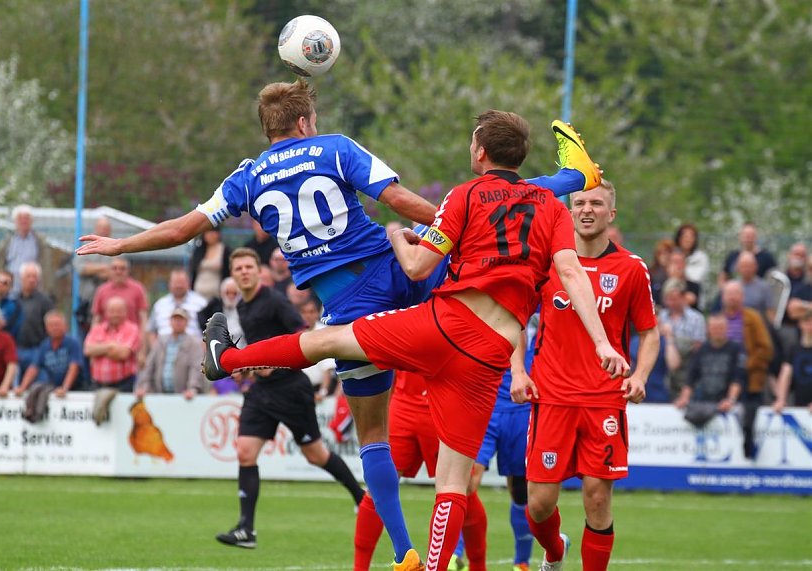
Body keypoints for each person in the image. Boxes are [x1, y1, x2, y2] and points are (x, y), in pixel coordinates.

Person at [77, 78, 600, 567]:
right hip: (401, 271)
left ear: (269, 128)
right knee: (503, 206)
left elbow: (181, 230)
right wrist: (455, 222)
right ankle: (573, 178)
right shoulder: (335, 147)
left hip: (348, 300)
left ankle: (404, 552)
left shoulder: (247, 177)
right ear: (305, 122)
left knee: (372, 432)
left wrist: (120, 243)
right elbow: (396, 200)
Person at [201, 111, 628, 571]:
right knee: (453, 483)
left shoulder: (463, 195)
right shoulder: (547, 205)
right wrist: (603, 342)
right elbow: (569, 271)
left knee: (326, 341)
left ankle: (228, 358)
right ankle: (437, 566)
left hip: (444, 326)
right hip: (491, 356)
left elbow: (418, 268)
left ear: (479, 152)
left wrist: (395, 236)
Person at [514, 180, 659, 571]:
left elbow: (649, 332)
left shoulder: (630, 268)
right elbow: (515, 319)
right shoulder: (547, 264)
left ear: (611, 214)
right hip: (551, 396)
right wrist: (517, 372)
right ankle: (555, 551)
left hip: (603, 400)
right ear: (569, 211)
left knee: (597, 498)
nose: (586, 209)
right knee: (540, 504)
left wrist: (640, 376)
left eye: (596, 203)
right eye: (579, 203)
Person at [214, 248, 365, 550]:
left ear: (259, 271)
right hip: (261, 392)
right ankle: (246, 529)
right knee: (245, 452)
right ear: (233, 274)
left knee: (315, 455)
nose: (244, 271)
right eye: (238, 268)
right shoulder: (243, 306)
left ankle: (362, 499)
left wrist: (276, 363)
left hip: (291, 390)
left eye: (248, 266)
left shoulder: (274, 300)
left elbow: (303, 334)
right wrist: (248, 368)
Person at [354, 370, 488, 571]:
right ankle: (360, 567)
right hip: (403, 403)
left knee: (463, 488)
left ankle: (478, 565)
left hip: (443, 403)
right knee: (376, 488)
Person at [468, 338, 535, 571]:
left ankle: (522, 562)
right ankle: (456, 556)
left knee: (520, 491)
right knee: (467, 479)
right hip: (486, 403)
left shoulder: (545, 309)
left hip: (523, 407)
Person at [720, 280, 773, 457]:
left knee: (749, 416)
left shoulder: (753, 317)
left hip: (750, 377)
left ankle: (749, 450)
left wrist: (745, 366)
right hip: (724, 377)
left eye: (736, 294)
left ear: (742, 297)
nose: (732, 298)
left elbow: (765, 348)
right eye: (729, 294)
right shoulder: (718, 318)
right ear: (723, 297)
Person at [673, 314, 744, 416]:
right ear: (708, 329)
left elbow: (738, 378)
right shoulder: (701, 350)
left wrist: (730, 400)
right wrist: (684, 398)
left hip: (728, 406)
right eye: (715, 328)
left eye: (721, 328)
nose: (718, 331)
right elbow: (691, 378)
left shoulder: (736, 349)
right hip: (704, 403)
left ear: (727, 328)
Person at [134, 307, 206, 400]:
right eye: (175, 319)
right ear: (170, 321)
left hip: (184, 398)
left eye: (181, 319)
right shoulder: (161, 341)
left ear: (187, 322)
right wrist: (144, 387)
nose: (178, 322)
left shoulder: (194, 344)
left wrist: (192, 389)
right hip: (160, 396)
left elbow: (196, 368)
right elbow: (149, 366)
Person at [14, 310, 84, 398]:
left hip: (77, 390)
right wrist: (22, 387)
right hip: (54, 389)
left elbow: (74, 367)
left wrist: (64, 388)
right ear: (46, 328)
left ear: (65, 326)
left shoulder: (73, 343)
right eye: (51, 325)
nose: (55, 328)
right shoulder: (44, 346)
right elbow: (33, 368)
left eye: (57, 325)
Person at [0, 204, 55, 297]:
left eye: (27, 218)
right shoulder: (7, 242)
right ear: (15, 221)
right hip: (9, 292)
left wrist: (47, 290)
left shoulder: (39, 242)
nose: (23, 221)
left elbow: (46, 268)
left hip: (32, 293)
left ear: (32, 221)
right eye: (20, 218)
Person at [658, 279, 706, 398]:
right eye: (668, 299)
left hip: (687, 371)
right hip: (663, 370)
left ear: (683, 297)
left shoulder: (696, 319)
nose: (671, 303)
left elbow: (699, 349)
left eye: (674, 299)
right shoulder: (661, 317)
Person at [84, 296, 141, 393]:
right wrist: (111, 346)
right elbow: (87, 350)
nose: (115, 314)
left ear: (126, 312)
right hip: (97, 385)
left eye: (119, 311)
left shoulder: (132, 329)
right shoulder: (97, 329)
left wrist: (99, 350)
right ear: (106, 313)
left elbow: (123, 354)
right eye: (112, 311)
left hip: (124, 385)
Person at [14, 262, 55, 378]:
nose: (32, 280)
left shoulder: (45, 301)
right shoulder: (13, 300)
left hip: (37, 350)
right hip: (15, 350)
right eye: (28, 276)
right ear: (21, 278)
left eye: (35, 277)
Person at [146, 268, 207, 344]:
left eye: (182, 282)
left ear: (188, 283)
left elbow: (209, 331)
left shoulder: (201, 303)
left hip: (194, 352)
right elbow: (151, 330)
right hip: (164, 350)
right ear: (169, 284)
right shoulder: (160, 305)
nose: (178, 285)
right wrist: (156, 349)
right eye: (175, 282)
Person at [91, 256, 148, 329]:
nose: (118, 272)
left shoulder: (138, 289)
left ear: (128, 270)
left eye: (122, 269)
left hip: (131, 338)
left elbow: (143, 318)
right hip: (106, 338)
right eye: (115, 268)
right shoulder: (101, 290)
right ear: (109, 270)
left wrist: (142, 338)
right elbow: (96, 319)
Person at [772, 311, 812, 412]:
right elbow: (785, 375)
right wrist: (781, 399)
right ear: (800, 324)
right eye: (807, 322)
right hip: (799, 404)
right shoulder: (794, 349)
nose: (810, 326)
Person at [719, 222, 777, 286]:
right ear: (740, 236)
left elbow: (775, 278)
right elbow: (723, 277)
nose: (748, 239)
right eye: (746, 236)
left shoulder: (766, 257)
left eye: (751, 236)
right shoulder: (732, 256)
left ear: (756, 237)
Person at [198, 276, 246, 346]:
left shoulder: (245, 308)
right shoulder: (215, 306)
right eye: (228, 293)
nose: (231, 296)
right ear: (222, 293)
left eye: (234, 293)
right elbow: (200, 316)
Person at [189, 228, 231, 300]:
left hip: (217, 295)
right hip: (198, 293)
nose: (210, 235)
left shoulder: (225, 251)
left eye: (213, 232)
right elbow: (193, 271)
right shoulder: (198, 250)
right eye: (208, 232)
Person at [673, 223, 709, 287]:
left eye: (691, 237)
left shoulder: (701, 257)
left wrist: (680, 272)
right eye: (685, 236)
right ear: (679, 238)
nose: (688, 240)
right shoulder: (672, 255)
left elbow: (696, 278)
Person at [648, 239, 675, 306]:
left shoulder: (677, 272)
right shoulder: (651, 272)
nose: (664, 256)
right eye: (661, 253)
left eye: (667, 253)